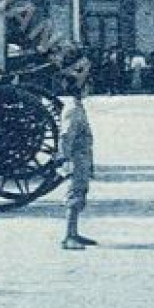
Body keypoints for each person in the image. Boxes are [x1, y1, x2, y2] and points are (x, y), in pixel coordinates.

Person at [58, 82, 97, 250]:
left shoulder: (77, 107)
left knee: (80, 193)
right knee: (74, 195)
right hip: (76, 158)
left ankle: (74, 233)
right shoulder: (73, 109)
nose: (89, 89)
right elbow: (66, 136)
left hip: (83, 157)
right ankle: (68, 237)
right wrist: (65, 159)